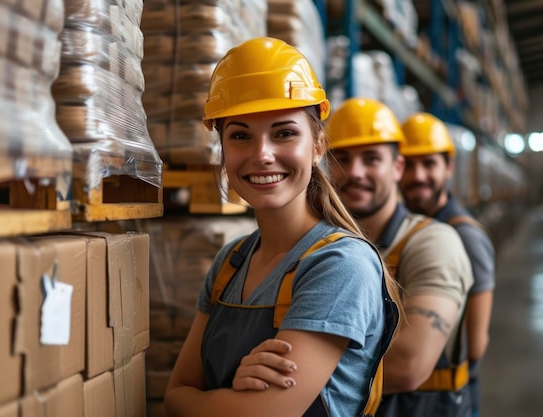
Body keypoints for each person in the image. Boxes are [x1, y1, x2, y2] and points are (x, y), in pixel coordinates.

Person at [164, 38, 401, 417]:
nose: (262, 154)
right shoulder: (232, 262)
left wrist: (205, 401)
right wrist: (229, 398)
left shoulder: (341, 264)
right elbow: (172, 397)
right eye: (240, 135)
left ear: (318, 146)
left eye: (284, 133)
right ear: (223, 150)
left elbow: (250, 411)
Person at [233, 98, 475, 416]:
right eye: (343, 158)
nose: (355, 172)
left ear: (397, 167)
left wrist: (285, 384)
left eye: (372, 159)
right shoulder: (318, 248)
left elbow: (409, 365)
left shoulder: (433, 243)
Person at [398, 112, 496, 417]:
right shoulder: (409, 230)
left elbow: (475, 345)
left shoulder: (465, 237)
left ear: (449, 168)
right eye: (409, 164)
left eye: (429, 164)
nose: (418, 176)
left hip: (446, 400)